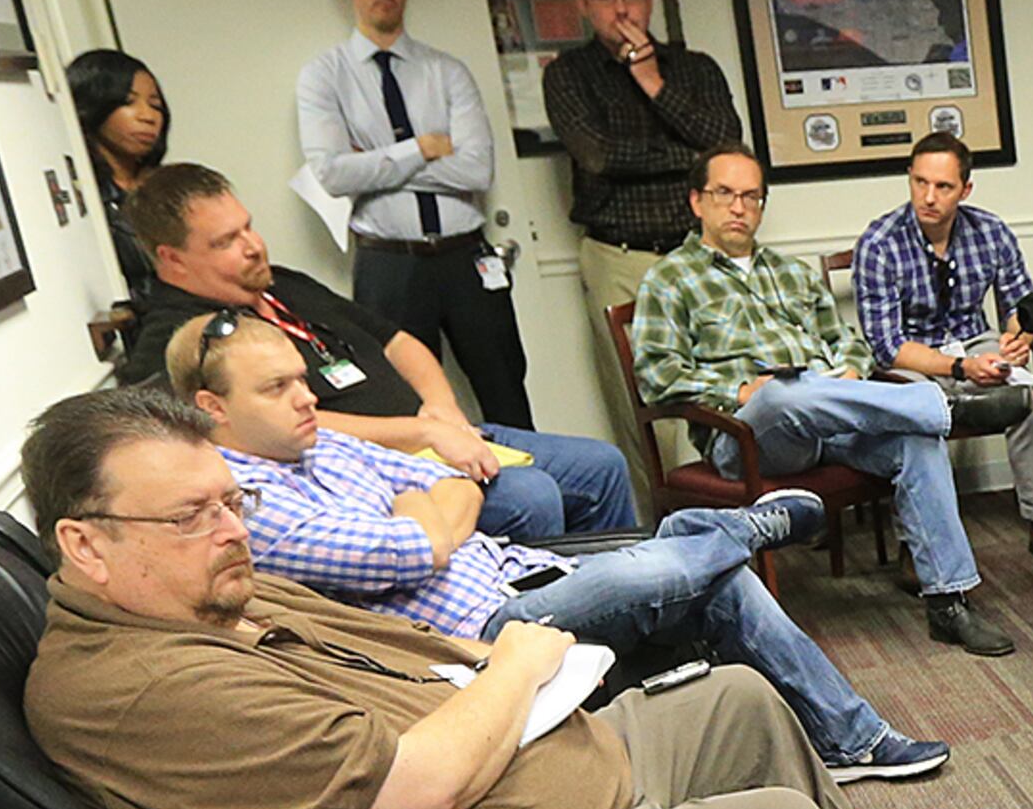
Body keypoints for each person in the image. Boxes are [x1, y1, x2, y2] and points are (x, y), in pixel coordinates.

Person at [14, 389, 960, 809]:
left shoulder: (213, 586)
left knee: (741, 698)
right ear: (85, 543)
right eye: (191, 515)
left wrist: (508, 675)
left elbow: (421, 646)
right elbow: (412, 785)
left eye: (233, 502)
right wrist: (517, 664)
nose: (230, 531)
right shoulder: (138, 689)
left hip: (544, 766)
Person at [168, 312, 947, 785]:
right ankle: (733, 529)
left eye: (303, 380)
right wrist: (430, 514)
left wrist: (432, 510)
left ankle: (854, 740)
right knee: (687, 560)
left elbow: (452, 476)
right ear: (213, 408)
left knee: (714, 579)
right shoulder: (248, 504)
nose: (309, 399)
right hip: (487, 631)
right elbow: (409, 553)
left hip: (518, 572)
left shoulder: (318, 446)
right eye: (278, 389)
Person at [115, 162, 635, 545]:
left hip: (436, 434)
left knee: (601, 464)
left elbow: (397, 340)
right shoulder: (181, 339)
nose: (254, 245)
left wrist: (443, 412)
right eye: (227, 241)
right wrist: (423, 433)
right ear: (172, 259)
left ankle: (629, 616)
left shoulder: (281, 284)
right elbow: (266, 431)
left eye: (248, 226)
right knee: (533, 497)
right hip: (377, 473)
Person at [632, 144, 1018, 658]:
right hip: (749, 435)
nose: (739, 207)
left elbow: (848, 341)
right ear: (697, 201)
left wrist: (851, 370)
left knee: (914, 442)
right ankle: (944, 407)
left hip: (829, 423)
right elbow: (657, 374)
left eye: (751, 196)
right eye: (725, 194)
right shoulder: (671, 278)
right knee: (787, 390)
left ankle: (948, 604)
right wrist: (740, 391)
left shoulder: (790, 272)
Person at [298, 0, 528, 430]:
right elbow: (332, 175)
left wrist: (377, 161)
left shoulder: (446, 72)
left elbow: (476, 168)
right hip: (389, 265)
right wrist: (421, 148)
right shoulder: (324, 77)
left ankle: (541, 499)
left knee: (506, 392)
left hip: (466, 257)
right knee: (406, 406)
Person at [849, 132, 1033, 573]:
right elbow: (887, 345)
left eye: (943, 187)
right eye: (920, 183)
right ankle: (914, 544)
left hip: (974, 341)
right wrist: (959, 368)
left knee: (1025, 398)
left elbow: (1020, 305)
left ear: (966, 189)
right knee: (915, 411)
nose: (929, 197)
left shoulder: (990, 230)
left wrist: (1019, 338)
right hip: (912, 356)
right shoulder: (879, 243)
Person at [541, 0, 744, 321]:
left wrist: (652, 81)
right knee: (633, 376)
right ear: (584, 5)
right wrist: (691, 158)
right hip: (619, 258)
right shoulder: (567, 74)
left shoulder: (696, 67)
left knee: (728, 370)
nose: (621, 10)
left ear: (648, 1)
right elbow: (599, 156)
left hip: (702, 250)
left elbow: (727, 146)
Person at [67, 47, 169, 303]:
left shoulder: (166, 187)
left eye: (155, 105)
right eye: (127, 102)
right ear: (94, 106)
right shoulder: (84, 197)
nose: (148, 117)